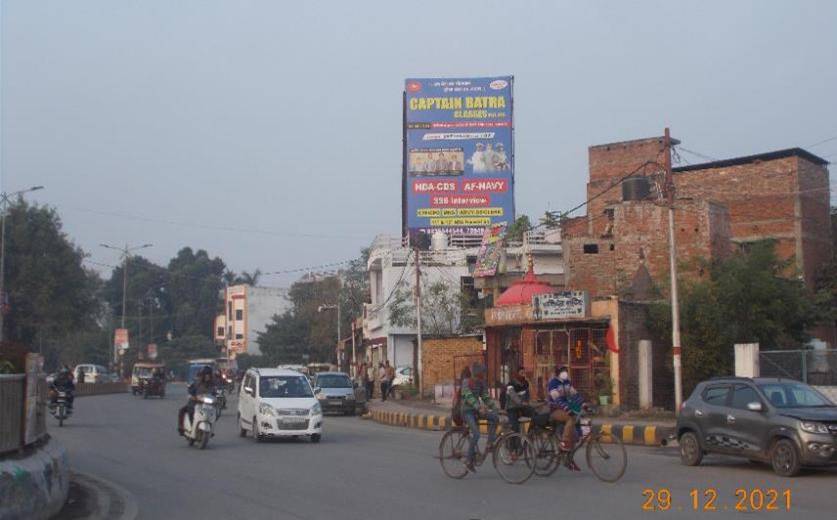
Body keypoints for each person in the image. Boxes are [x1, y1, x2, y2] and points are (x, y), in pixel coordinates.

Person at [460, 363, 498, 472]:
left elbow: (485, 397)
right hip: (467, 411)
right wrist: (478, 407)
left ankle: (489, 443)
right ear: (477, 373)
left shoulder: (481, 383)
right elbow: (469, 396)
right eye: (482, 373)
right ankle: (468, 461)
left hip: (477, 411)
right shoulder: (466, 382)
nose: (484, 375)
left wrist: (495, 407)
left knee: (495, 418)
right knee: (476, 434)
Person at [547, 366, 584, 471]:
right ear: (558, 373)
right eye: (563, 372)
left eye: (566, 372)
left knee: (575, 436)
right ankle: (564, 442)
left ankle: (569, 460)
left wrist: (584, 404)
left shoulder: (567, 382)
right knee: (571, 418)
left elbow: (575, 395)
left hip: (566, 409)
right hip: (555, 410)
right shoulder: (553, 383)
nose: (565, 373)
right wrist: (567, 408)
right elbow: (557, 399)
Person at [178, 366, 215, 435]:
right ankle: (183, 427)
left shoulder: (212, 384)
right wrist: (193, 397)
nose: (207, 376)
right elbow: (190, 391)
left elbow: (215, 393)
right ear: (203, 375)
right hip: (195, 403)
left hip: (207, 405)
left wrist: (217, 398)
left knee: (213, 413)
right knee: (183, 410)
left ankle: (211, 428)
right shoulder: (196, 383)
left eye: (209, 374)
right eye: (206, 374)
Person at [505, 368, 533, 434]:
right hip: (512, 407)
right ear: (517, 374)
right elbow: (513, 396)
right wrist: (521, 402)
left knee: (535, 415)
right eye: (521, 373)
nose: (523, 375)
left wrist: (528, 403)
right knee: (515, 427)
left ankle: (530, 435)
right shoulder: (511, 384)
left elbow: (527, 396)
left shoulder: (526, 384)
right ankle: (515, 439)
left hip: (522, 407)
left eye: (524, 373)